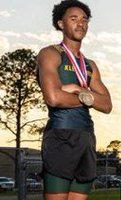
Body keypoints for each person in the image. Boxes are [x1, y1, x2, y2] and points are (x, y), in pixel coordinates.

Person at [36, 1, 112, 199]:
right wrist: (89, 97)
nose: (81, 24)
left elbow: (107, 105)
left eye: (84, 19)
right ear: (61, 24)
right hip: (61, 136)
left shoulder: (90, 65)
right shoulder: (50, 54)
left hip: (86, 137)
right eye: (74, 18)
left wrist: (79, 90)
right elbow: (53, 98)